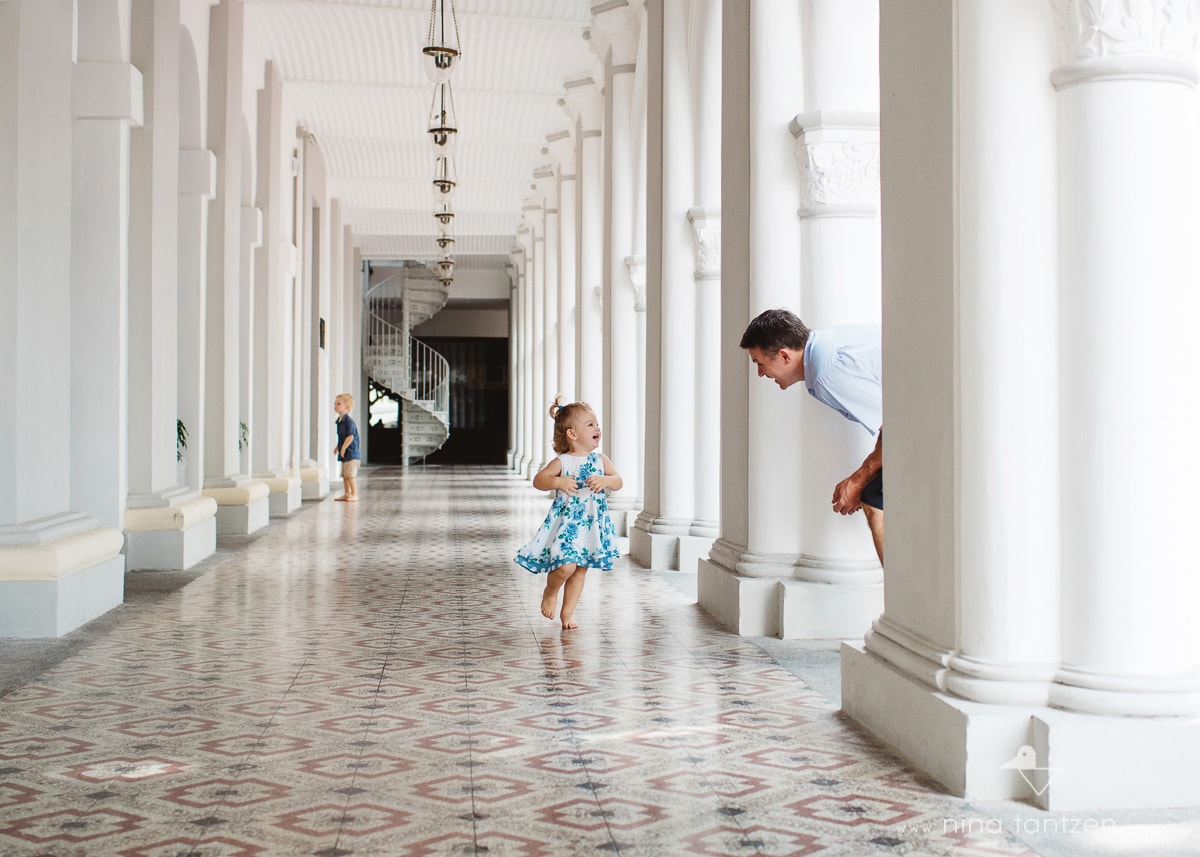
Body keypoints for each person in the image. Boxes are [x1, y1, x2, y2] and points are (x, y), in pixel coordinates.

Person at [739, 308, 884, 562]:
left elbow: (898, 426)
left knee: (875, 503)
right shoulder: (825, 351)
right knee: (876, 496)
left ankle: (904, 600)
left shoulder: (829, 372)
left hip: (938, 408)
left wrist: (858, 480)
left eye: (760, 364)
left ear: (784, 356)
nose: (760, 374)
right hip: (924, 408)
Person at [515, 397, 623, 630]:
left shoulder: (600, 460)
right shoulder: (563, 461)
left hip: (591, 524)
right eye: (590, 424)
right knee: (566, 566)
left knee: (580, 570)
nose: (597, 428)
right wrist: (559, 481)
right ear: (572, 434)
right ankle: (550, 591)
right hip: (567, 523)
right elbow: (539, 480)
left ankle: (568, 612)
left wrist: (605, 480)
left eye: (597, 424)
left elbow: (618, 481)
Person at [333, 393, 362, 502]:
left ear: (347, 407)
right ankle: (347, 493)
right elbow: (342, 437)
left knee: (350, 475)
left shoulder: (349, 422)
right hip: (345, 453)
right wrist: (338, 447)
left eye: (338, 404)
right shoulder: (339, 422)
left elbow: (350, 436)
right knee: (345, 475)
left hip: (352, 453)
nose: (335, 405)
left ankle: (354, 494)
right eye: (335, 403)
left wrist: (344, 448)